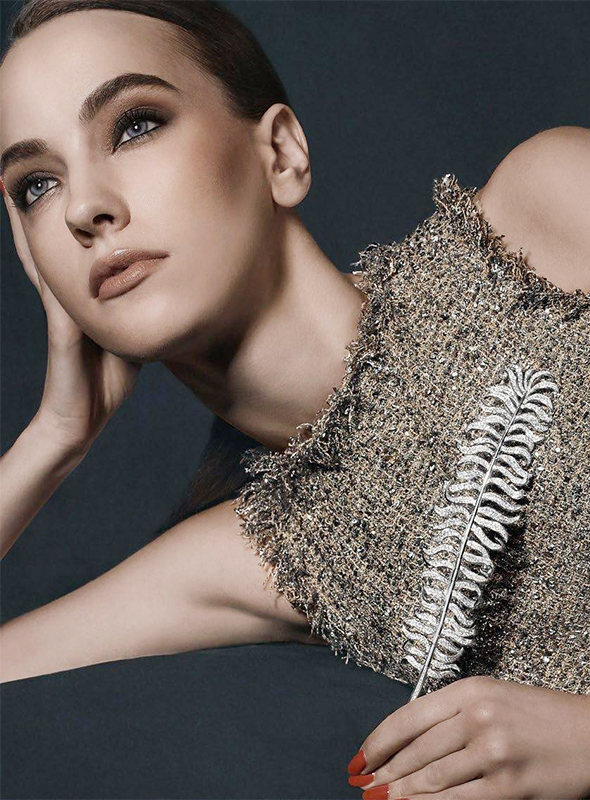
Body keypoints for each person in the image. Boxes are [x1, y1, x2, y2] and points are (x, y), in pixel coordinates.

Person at [0, 1, 589, 798]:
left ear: (279, 153)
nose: (82, 209)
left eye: (135, 126)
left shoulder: (548, 217)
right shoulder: (267, 556)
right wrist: (51, 440)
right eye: (36, 185)